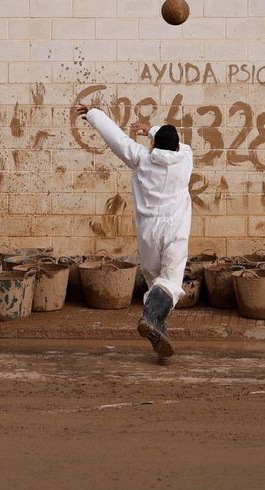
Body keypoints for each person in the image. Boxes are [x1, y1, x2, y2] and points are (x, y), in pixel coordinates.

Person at [76, 103, 193, 362]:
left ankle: (157, 325)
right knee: (171, 282)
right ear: (175, 146)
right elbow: (177, 145)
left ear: (154, 146)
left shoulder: (141, 158)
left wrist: (94, 114)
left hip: (148, 233)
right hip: (175, 231)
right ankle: (152, 318)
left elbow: (116, 138)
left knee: (154, 281)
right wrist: (151, 130)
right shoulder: (185, 159)